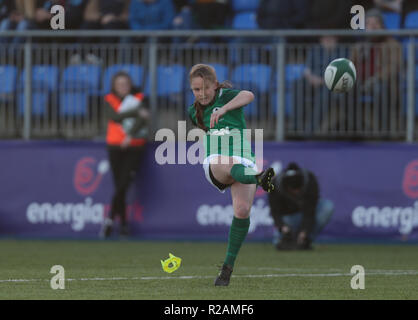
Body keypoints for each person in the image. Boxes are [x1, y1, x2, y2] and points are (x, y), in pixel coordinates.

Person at [187, 64, 275, 286]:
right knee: (227, 162)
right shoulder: (193, 111)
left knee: (242, 210)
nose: (201, 94)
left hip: (243, 158)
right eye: (196, 89)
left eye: (206, 88)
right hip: (215, 161)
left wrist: (224, 109)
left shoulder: (228, 96)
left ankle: (227, 268)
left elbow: (249, 95)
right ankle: (259, 178)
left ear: (215, 85)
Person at [101, 71, 150, 238]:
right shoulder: (110, 99)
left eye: (125, 84)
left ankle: (109, 221)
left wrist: (130, 135)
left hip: (134, 146)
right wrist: (135, 112)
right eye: (119, 84)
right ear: (114, 86)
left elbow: (143, 119)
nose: (122, 87)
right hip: (115, 145)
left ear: (130, 85)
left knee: (123, 184)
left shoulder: (139, 98)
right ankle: (122, 224)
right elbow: (114, 117)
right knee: (119, 186)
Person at [350, 8, 402, 134]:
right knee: (345, 90)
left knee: (379, 89)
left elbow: (394, 66)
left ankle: (383, 130)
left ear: (382, 26)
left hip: (383, 82)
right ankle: (353, 129)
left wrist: (375, 79)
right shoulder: (358, 46)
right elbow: (350, 66)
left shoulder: (392, 44)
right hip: (360, 81)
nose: (372, 27)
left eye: (375, 24)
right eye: (368, 24)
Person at [268, 162, 334, 250]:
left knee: (327, 206)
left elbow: (310, 211)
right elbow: (274, 212)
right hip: (288, 218)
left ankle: (306, 240)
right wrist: (283, 227)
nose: (296, 192)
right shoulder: (275, 185)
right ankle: (285, 238)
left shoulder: (310, 180)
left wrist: (304, 232)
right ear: (287, 187)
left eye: (298, 189)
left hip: (306, 215)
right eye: (293, 190)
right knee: (279, 242)